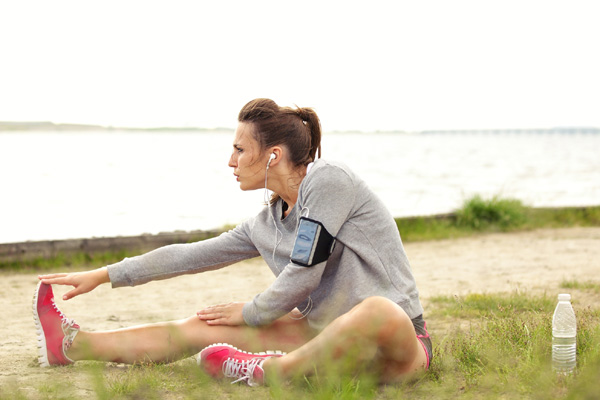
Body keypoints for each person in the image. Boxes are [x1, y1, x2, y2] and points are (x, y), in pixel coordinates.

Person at [34, 98, 432, 387]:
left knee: (377, 309)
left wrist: (252, 311)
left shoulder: (329, 180)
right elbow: (190, 256)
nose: (231, 161)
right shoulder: (265, 224)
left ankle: (271, 371)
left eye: (240, 150)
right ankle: (72, 346)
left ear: (273, 156)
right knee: (202, 324)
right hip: (320, 336)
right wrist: (104, 274)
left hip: (396, 345)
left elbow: (304, 273)